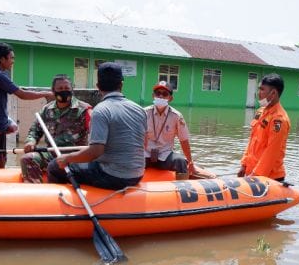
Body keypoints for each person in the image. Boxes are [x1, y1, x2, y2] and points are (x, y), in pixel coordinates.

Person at [47, 62, 146, 190]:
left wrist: (67, 158)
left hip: (113, 176)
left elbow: (95, 152)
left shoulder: (101, 110)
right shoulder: (139, 109)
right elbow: (144, 144)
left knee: (54, 166)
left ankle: (58, 203)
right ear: (121, 84)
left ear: (98, 86)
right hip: (138, 174)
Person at [0, 42, 53, 169]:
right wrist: (45, 94)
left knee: (1, 158)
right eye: (11, 58)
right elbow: (22, 94)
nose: (13, 61)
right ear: (2, 59)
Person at [20, 74, 92, 183]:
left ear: (72, 89)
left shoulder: (84, 110)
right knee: (27, 158)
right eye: (60, 89)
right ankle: (34, 194)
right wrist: (31, 141)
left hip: (74, 156)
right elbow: (35, 130)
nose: (64, 91)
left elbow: (97, 133)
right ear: (53, 90)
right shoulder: (46, 110)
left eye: (67, 88)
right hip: (52, 154)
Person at [238, 73, 290, 181]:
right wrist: (244, 164)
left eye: (262, 90)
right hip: (252, 172)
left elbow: (271, 153)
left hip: (269, 178)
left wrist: (255, 176)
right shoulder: (260, 112)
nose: (259, 93)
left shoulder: (279, 119)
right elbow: (252, 140)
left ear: (273, 93)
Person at [143, 80, 196, 180]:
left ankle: (182, 191)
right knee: (130, 161)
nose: (161, 96)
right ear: (152, 96)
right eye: (157, 93)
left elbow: (184, 140)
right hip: (146, 154)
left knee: (180, 161)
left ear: (170, 98)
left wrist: (190, 162)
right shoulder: (144, 113)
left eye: (165, 94)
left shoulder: (176, 116)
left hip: (165, 155)